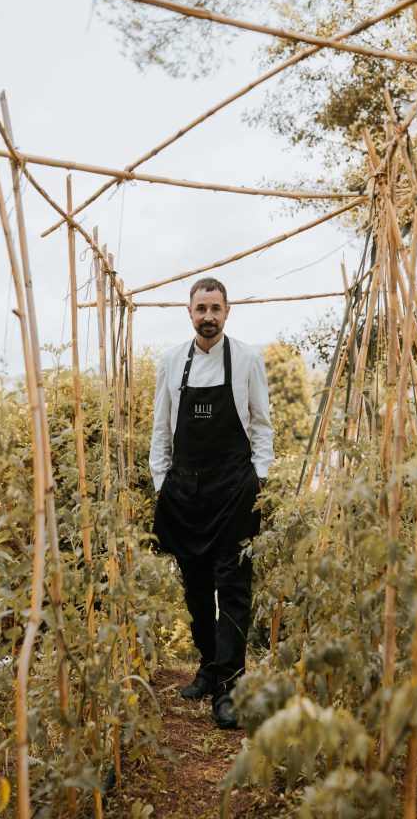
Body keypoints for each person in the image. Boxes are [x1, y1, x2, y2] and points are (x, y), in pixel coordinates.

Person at [149, 276, 274, 729]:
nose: (208, 316)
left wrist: (259, 479)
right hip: (185, 491)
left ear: (227, 311)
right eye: (200, 308)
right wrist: (162, 482)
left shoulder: (246, 359)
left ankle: (229, 686)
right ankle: (208, 666)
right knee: (196, 589)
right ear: (189, 312)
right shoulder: (169, 361)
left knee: (234, 589)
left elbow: (262, 425)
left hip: (234, 488)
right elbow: (161, 430)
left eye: (215, 308)